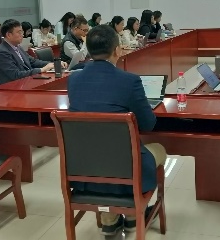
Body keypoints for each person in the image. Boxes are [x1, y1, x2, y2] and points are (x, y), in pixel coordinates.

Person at [67, 24, 167, 235]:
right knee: (158, 149)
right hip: (126, 168)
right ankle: (133, 216)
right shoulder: (129, 81)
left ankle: (110, 220)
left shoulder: (73, 79)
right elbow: (148, 124)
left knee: (101, 149)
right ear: (117, 50)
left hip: (84, 168)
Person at [0, 19, 65, 84]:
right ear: (9, 35)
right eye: (19, 32)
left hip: (27, 82)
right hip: (14, 87)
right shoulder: (2, 53)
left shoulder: (18, 47)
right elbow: (16, 75)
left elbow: (33, 62)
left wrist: (54, 64)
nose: (22, 35)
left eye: (22, 32)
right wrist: (41, 70)